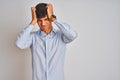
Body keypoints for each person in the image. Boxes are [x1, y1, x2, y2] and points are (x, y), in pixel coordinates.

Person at [15, 3, 77, 80]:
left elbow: (73, 35)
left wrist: (54, 19)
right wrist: (32, 22)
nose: (43, 24)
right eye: (39, 21)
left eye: (46, 19)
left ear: (50, 19)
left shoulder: (61, 36)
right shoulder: (33, 37)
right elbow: (19, 43)